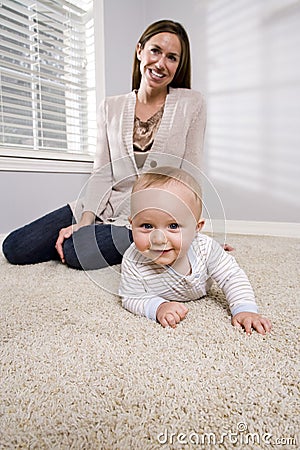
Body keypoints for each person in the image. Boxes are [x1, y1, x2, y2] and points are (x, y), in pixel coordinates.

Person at [2, 19, 208, 270]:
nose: (161, 63)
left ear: (179, 64)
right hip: (105, 205)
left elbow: (191, 174)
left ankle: (145, 240)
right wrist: (85, 221)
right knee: (14, 247)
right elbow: (101, 172)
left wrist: (189, 233)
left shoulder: (191, 104)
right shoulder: (110, 107)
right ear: (140, 50)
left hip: (154, 218)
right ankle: (100, 235)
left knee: (76, 251)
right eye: (155, 51)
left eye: (172, 57)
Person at [119, 166, 272, 335]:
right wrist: (157, 307)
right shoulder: (133, 259)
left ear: (196, 228)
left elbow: (231, 276)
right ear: (132, 224)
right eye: (147, 226)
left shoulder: (205, 249)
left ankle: (217, 247)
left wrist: (244, 308)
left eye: (173, 226)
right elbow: (131, 297)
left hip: (203, 260)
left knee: (217, 257)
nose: (158, 239)